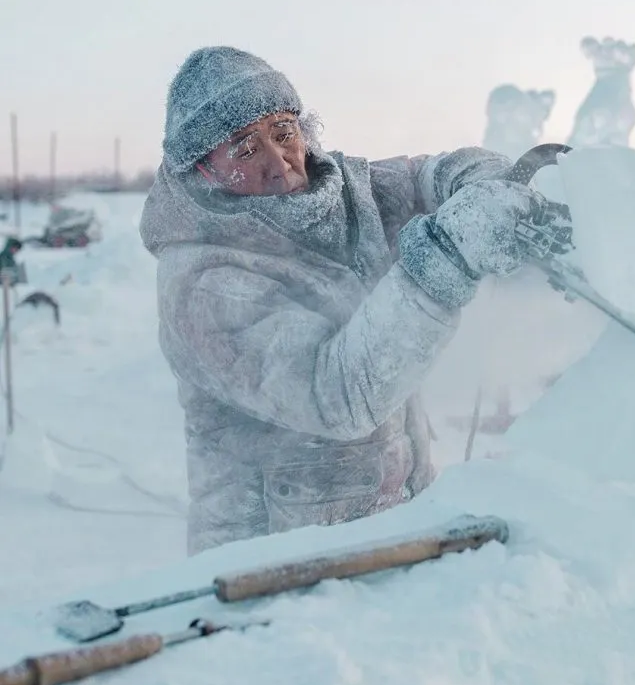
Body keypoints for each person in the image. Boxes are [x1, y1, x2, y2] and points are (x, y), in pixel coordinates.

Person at [140, 46, 571, 554]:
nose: (279, 164)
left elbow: (433, 175)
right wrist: (447, 255)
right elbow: (337, 396)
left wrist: (491, 188)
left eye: (283, 134)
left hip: (395, 533)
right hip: (272, 571)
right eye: (245, 149)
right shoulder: (202, 282)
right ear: (203, 170)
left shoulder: (346, 191)